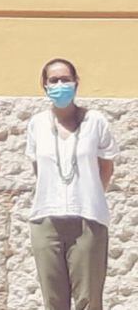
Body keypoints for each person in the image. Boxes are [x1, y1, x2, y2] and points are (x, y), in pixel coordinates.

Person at [27, 58, 118, 310]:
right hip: (46, 220)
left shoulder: (96, 121)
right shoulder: (36, 124)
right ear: (44, 86)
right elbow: (38, 169)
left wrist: (89, 193)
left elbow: (106, 166)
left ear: (76, 83)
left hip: (87, 219)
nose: (59, 84)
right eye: (53, 80)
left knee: (88, 300)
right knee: (54, 301)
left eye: (65, 79)